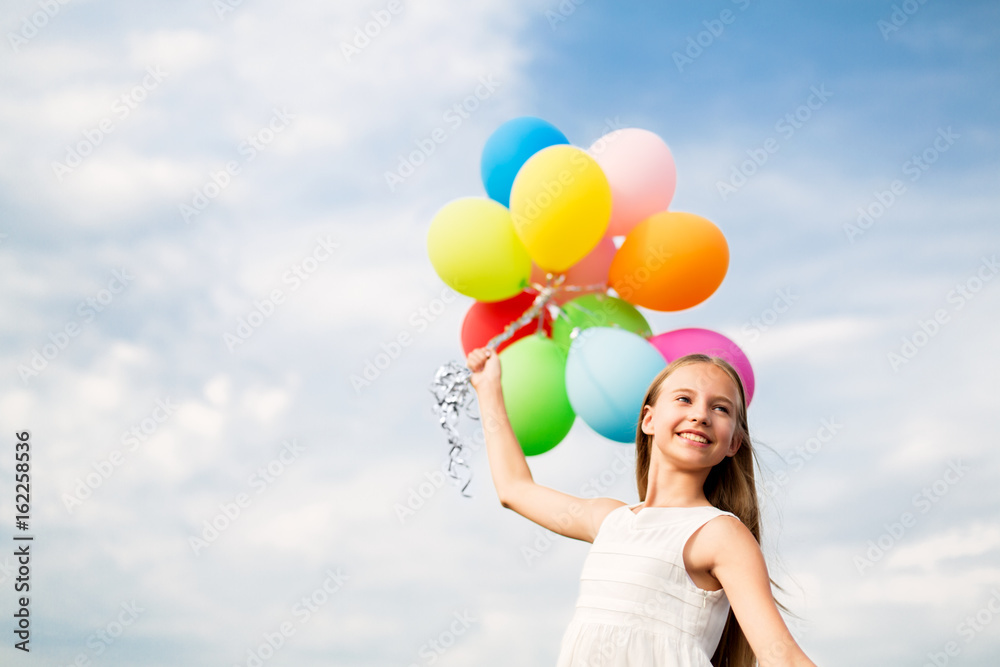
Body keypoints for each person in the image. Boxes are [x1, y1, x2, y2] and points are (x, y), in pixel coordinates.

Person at [466, 345, 817, 667]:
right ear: (648, 419)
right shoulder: (609, 520)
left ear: (733, 443)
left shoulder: (721, 534)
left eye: (720, 408)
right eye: (684, 399)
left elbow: (780, 655)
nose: (701, 415)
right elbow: (514, 489)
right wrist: (488, 389)